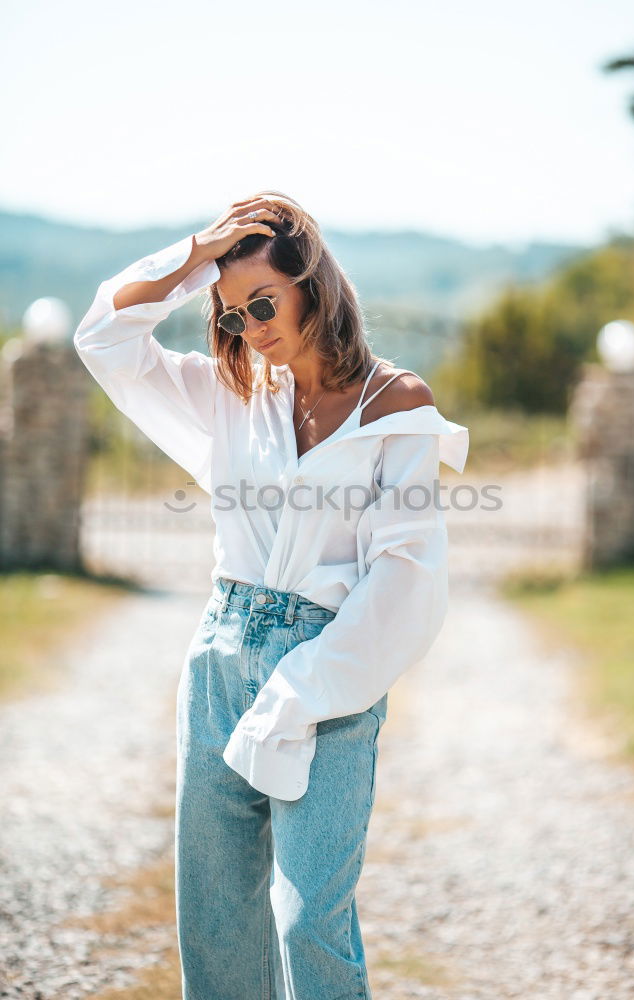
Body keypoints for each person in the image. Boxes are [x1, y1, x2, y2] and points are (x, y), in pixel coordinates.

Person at [73, 190, 469, 1000]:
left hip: (332, 677)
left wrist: (304, 689)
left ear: (312, 283)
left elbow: (406, 579)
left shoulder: (395, 403)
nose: (250, 329)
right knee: (217, 929)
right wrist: (195, 255)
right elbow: (104, 337)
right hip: (220, 661)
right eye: (230, 316)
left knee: (307, 921)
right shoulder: (232, 394)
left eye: (262, 303)